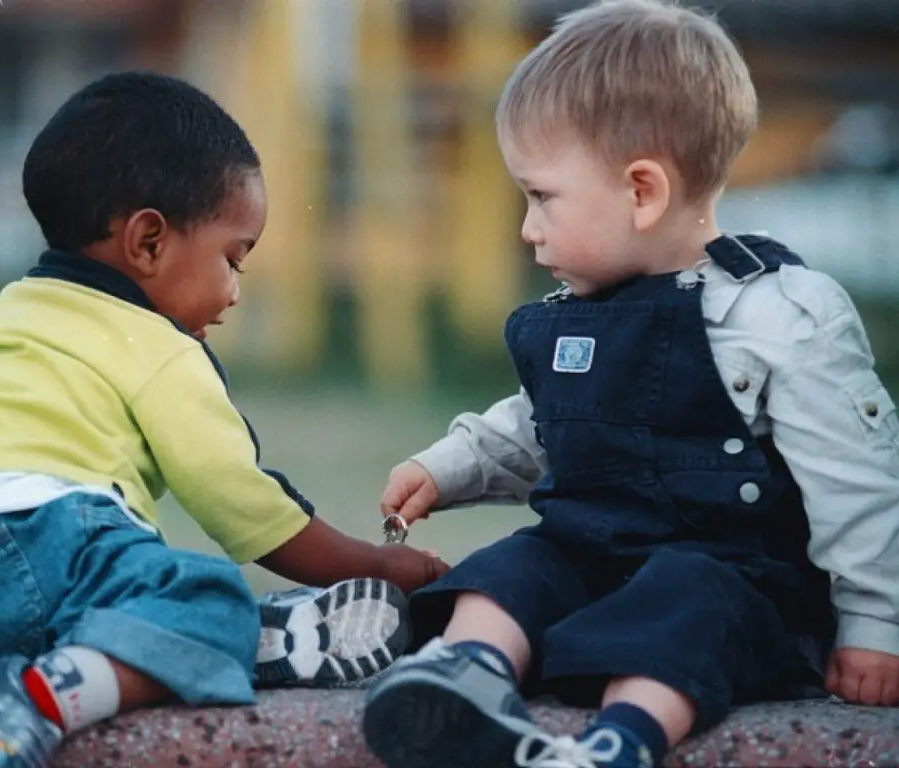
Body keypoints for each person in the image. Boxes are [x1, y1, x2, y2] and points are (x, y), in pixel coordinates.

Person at [362, 1, 899, 766]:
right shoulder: (576, 313)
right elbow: (543, 423)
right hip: (596, 560)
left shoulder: (780, 315)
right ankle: (464, 676)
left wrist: (877, 624)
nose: (527, 227)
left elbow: (857, 480)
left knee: (685, 599)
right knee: (523, 561)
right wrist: (446, 468)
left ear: (642, 192)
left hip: (734, 586)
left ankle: (619, 741)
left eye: (542, 196)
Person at [0, 72, 447, 768]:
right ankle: (39, 700)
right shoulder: (158, 346)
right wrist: (377, 564)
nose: (235, 291)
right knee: (207, 591)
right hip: (37, 541)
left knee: (125, 597)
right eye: (233, 259)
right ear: (148, 242)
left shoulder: (1, 316)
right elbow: (244, 506)